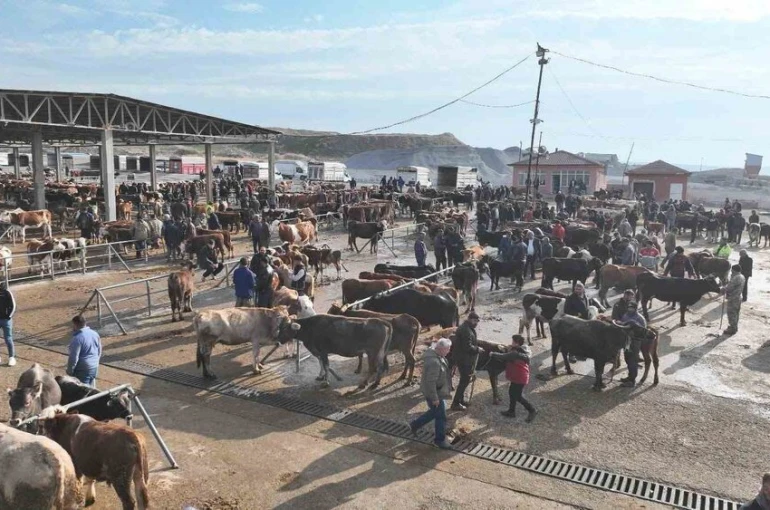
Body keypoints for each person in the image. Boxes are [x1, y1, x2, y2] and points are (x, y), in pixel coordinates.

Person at [409, 338, 453, 450]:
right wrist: (435, 398)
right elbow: (431, 381)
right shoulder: (435, 362)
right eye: (448, 349)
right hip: (433, 393)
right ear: (441, 349)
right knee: (441, 416)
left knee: (434, 412)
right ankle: (440, 440)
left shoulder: (437, 356)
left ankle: (415, 424)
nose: (449, 351)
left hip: (435, 391)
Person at [491, 334, 537, 422]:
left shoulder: (515, 353)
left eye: (513, 342)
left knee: (518, 396)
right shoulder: (521, 351)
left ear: (517, 343)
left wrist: (492, 353)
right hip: (518, 376)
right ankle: (511, 411)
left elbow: (503, 357)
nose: (511, 343)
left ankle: (532, 410)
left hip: (519, 377)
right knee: (512, 393)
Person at [450, 312, 482, 411]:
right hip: (464, 360)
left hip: (464, 358)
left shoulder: (467, 327)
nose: (476, 323)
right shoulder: (466, 330)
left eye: (477, 321)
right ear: (470, 319)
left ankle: (461, 399)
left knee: (465, 380)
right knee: (464, 381)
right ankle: (455, 403)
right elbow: (467, 347)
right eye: (475, 321)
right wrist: (477, 349)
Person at [614, 301, 647, 388]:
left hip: (635, 342)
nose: (630, 309)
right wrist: (620, 323)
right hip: (626, 341)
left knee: (633, 360)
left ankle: (632, 381)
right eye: (629, 307)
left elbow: (643, 331)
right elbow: (623, 324)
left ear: (635, 308)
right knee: (627, 359)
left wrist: (629, 325)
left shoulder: (640, 318)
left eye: (631, 307)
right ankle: (629, 377)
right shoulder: (626, 315)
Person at [67, 315, 102, 387]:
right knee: (92, 389)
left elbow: (74, 357)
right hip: (94, 367)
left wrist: (70, 371)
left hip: (82, 369)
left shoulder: (77, 338)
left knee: (83, 391)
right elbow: (99, 350)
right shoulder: (95, 334)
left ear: (75, 324)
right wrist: (95, 362)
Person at [722, 264, 746, 336]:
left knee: (731, 313)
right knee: (736, 313)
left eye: (732, 270)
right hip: (738, 297)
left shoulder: (736, 277)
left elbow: (729, 287)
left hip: (733, 298)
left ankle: (732, 329)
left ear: (734, 270)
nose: (731, 272)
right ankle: (734, 327)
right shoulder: (742, 276)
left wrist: (723, 288)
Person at [0, 283, 16, 366]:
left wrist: (8, 316)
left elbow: (13, 305)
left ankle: (11, 357)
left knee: (8, 339)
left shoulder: (7, 292)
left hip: (6, 320)